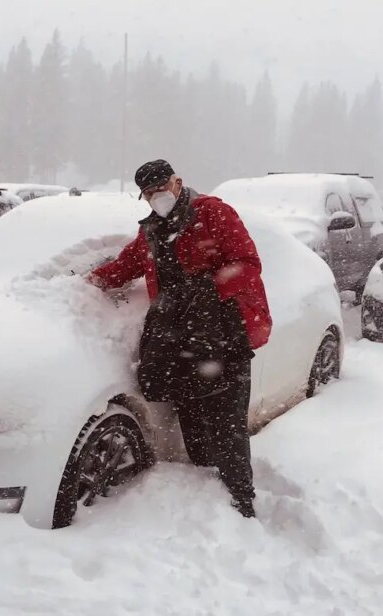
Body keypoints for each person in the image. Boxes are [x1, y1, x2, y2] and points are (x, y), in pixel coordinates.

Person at [87, 159, 271, 517]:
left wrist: (202, 291)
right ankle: (207, 486)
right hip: (181, 336)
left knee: (227, 422)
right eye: (150, 192)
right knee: (191, 412)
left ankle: (241, 499)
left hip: (224, 331)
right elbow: (125, 267)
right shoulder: (152, 230)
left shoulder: (213, 213)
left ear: (178, 183)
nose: (158, 196)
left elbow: (248, 264)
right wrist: (83, 285)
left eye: (162, 187)